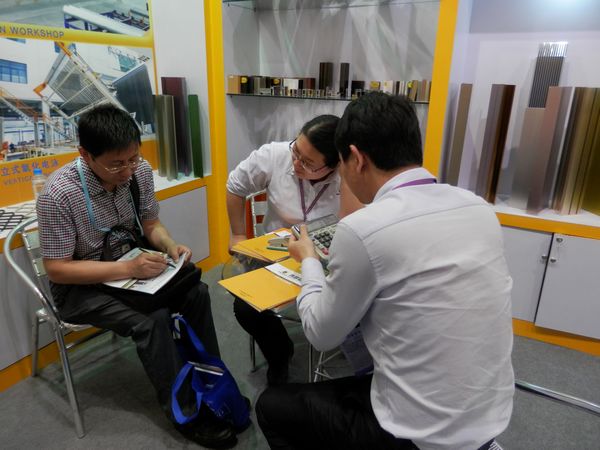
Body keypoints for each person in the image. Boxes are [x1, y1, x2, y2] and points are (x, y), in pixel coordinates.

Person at [256, 92, 515, 450]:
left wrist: (309, 260)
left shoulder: (365, 229)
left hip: (419, 433)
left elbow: (319, 334)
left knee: (271, 406)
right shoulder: (478, 209)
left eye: (341, 165)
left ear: (357, 159)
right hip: (489, 417)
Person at [36, 105, 240, 449]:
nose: (128, 170)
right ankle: (187, 413)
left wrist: (170, 246)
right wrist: (128, 269)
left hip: (131, 267)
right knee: (152, 321)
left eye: (133, 158)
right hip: (80, 288)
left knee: (196, 293)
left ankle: (212, 385)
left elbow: (150, 225)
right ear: (85, 154)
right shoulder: (58, 194)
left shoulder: (138, 171)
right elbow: (58, 269)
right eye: (116, 164)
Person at [226, 114, 361, 386]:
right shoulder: (274, 155)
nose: (296, 163)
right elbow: (235, 186)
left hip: (327, 256)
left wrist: (347, 178)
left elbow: (352, 220)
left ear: (335, 165)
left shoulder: (348, 176)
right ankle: (280, 354)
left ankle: (345, 350)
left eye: (308, 163)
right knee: (245, 306)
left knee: (358, 295)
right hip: (277, 254)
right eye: (296, 151)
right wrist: (238, 234)